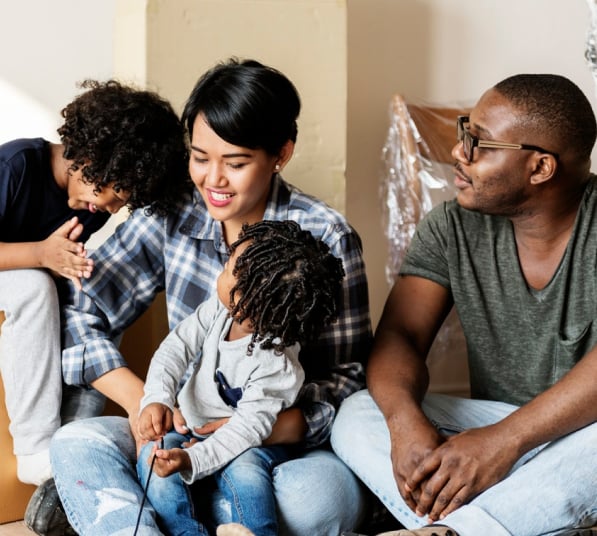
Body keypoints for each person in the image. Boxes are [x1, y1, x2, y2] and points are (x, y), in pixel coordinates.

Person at [38, 58, 372, 536]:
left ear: (282, 152)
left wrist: (262, 428)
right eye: (199, 157)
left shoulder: (325, 237)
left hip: (271, 446)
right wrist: (145, 402)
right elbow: (79, 309)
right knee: (77, 444)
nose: (213, 180)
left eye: (235, 163)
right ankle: (188, 517)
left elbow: (348, 378)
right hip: (176, 421)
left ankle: (132, 507)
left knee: (319, 500)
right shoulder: (173, 213)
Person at [331, 73, 597, 536]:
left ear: (540, 168)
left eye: (481, 143)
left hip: (580, 434)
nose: (459, 152)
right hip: (492, 433)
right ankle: (508, 520)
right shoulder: (450, 227)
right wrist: (404, 423)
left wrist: (504, 443)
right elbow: (402, 335)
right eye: (464, 131)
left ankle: (453, 530)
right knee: (357, 413)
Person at [0, 79, 189, 489]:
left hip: (23, 277)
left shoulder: (93, 204)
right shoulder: (14, 167)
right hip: (16, 277)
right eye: (115, 191)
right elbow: (37, 261)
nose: (113, 207)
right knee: (33, 287)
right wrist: (40, 256)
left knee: (95, 297)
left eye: (125, 200)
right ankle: (35, 448)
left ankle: (75, 431)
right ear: (91, 156)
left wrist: (68, 269)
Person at [137, 219, 345, 536]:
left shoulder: (276, 364)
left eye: (228, 271)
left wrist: (192, 459)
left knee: (245, 472)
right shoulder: (219, 310)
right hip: (192, 427)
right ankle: (186, 532)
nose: (221, 270)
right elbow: (176, 348)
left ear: (246, 304)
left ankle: (258, 531)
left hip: (247, 441)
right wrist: (157, 397)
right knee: (152, 462)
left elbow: (246, 431)